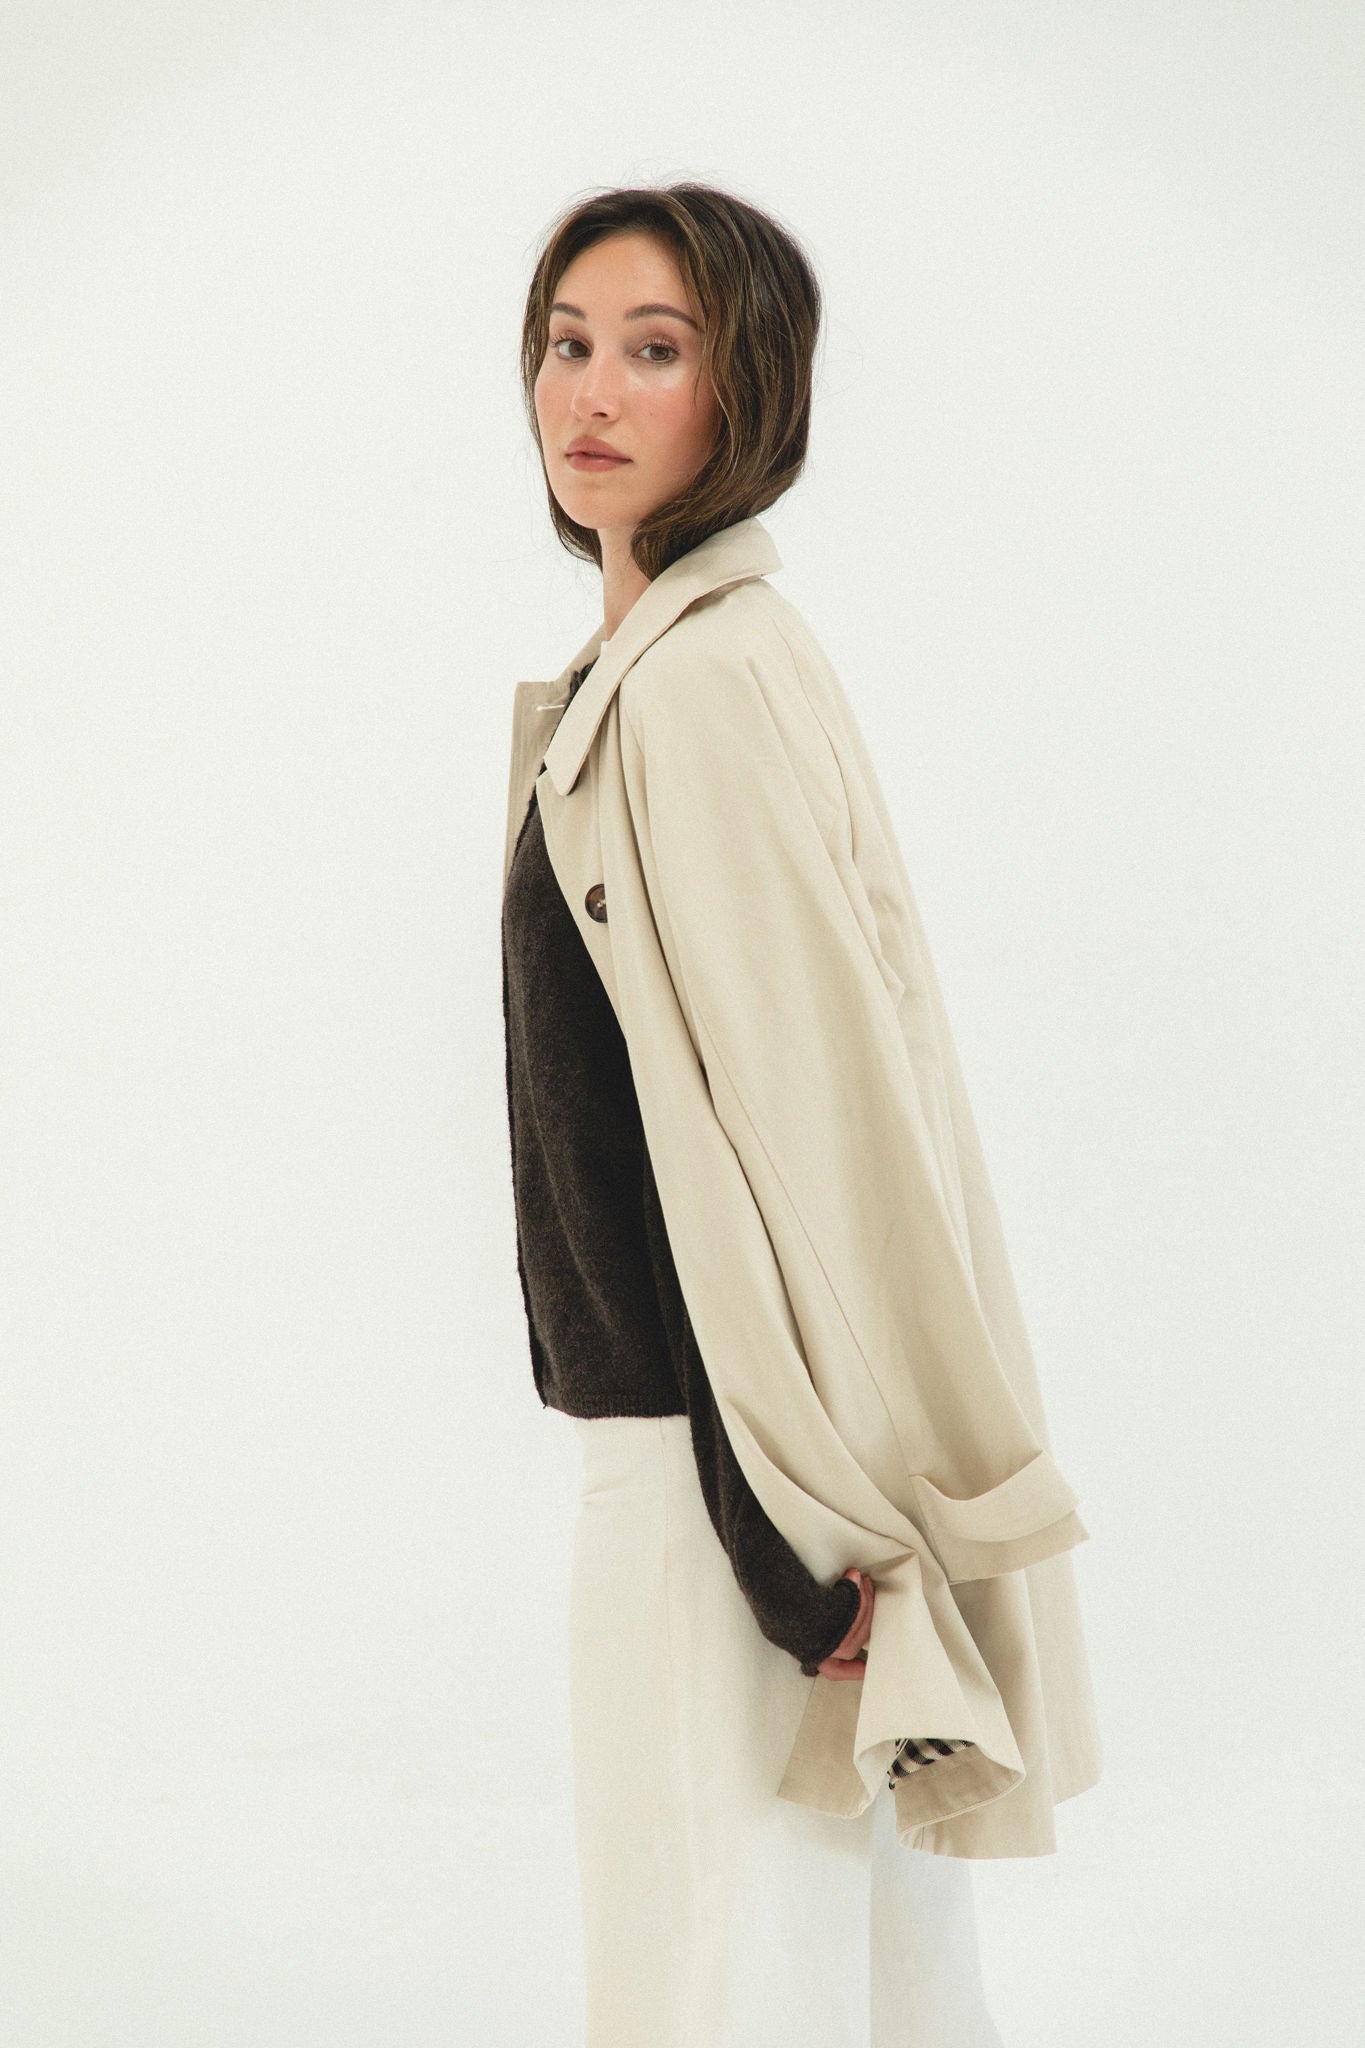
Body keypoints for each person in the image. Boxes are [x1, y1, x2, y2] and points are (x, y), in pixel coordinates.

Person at [501, 181, 1098, 2047]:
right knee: (851, 1970)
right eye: (568, 343)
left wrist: (794, 1537)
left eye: (656, 350)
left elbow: (795, 1130)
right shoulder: (665, 670)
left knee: (718, 1975)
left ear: (747, 390)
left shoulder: (693, 685)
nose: (592, 391)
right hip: (746, 1461)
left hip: (729, 1473)